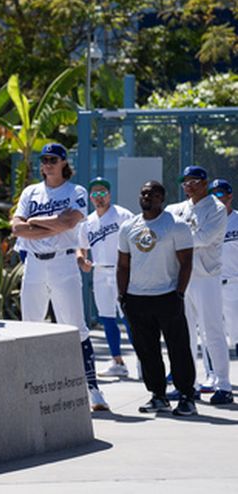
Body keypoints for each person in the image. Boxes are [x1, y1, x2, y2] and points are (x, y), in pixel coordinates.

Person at [10, 143, 108, 412]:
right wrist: (53, 225)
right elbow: (17, 228)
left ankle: (93, 389)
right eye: (44, 159)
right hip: (34, 264)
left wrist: (35, 222)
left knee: (76, 327)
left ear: (64, 162)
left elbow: (69, 222)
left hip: (64, 263)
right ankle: (30, 387)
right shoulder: (31, 192)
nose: (47, 163)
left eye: (53, 159)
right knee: (30, 327)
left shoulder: (76, 191)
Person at [117, 181, 197, 416]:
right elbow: (123, 265)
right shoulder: (128, 227)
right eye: (143, 193)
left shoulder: (176, 225)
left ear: (161, 198)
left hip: (167, 296)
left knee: (178, 348)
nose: (146, 197)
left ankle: (186, 396)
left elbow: (186, 262)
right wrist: (123, 296)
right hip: (136, 298)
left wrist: (179, 293)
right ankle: (158, 396)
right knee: (147, 351)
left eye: (152, 194)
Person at [166, 166, 233, 405]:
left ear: (205, 183)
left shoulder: (216, 209)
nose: (189, 186)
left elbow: (203, 238)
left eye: (194, 181)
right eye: (185, 182)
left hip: (206, 277)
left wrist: (175, 238)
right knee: (184, 334)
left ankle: (223, 385)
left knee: (212, 332)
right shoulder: (177, 208)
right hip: (182, 277)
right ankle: (188, 385)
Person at [76, 177, 135, 378]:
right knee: (106, 317)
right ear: (90, 197)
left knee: (129, 317)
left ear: (109, 195)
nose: (99, 197)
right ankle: (117, 362)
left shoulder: (122, 215)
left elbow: (136, 240)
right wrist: (81, 259)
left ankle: (143, 360)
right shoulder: (88, 221)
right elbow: (80, 246)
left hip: (122, 271)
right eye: (95, 193)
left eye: (102, 192)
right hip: (100, 272)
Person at [210, 179, 238, 353]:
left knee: (237, 336)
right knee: (212, 336)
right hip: (210, 286)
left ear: (229, 196)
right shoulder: (205, 222)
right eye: (212, 194)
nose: (216, 198)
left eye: (219, 193)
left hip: (234, 284)